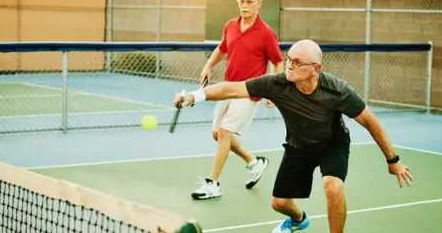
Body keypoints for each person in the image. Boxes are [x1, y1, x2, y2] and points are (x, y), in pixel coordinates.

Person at [173, 39, 414, 232]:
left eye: (297, 62)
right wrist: (196, 96)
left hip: (332, 144)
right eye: (289, 59)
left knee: (332, 187)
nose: (289, 65)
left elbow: (370, 121)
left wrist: (392, 160)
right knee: (279, 203)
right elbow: (232, 88)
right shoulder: (277, 83)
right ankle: (299, 220)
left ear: (315, 68)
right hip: (298, 145)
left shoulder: (337, 91)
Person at [192, 0, 284, 200]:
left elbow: (277, 62)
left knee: (224, 133)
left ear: (258, 4)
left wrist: (273, 90)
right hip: (226, 87)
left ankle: (213, 184)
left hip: (248, 92)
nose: (244, 5)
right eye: (241, 1)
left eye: (249, 2)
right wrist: (208, 66)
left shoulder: (266, 33)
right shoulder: (230, 25)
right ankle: (254, 162)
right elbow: (222, 47)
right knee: (217, 134)